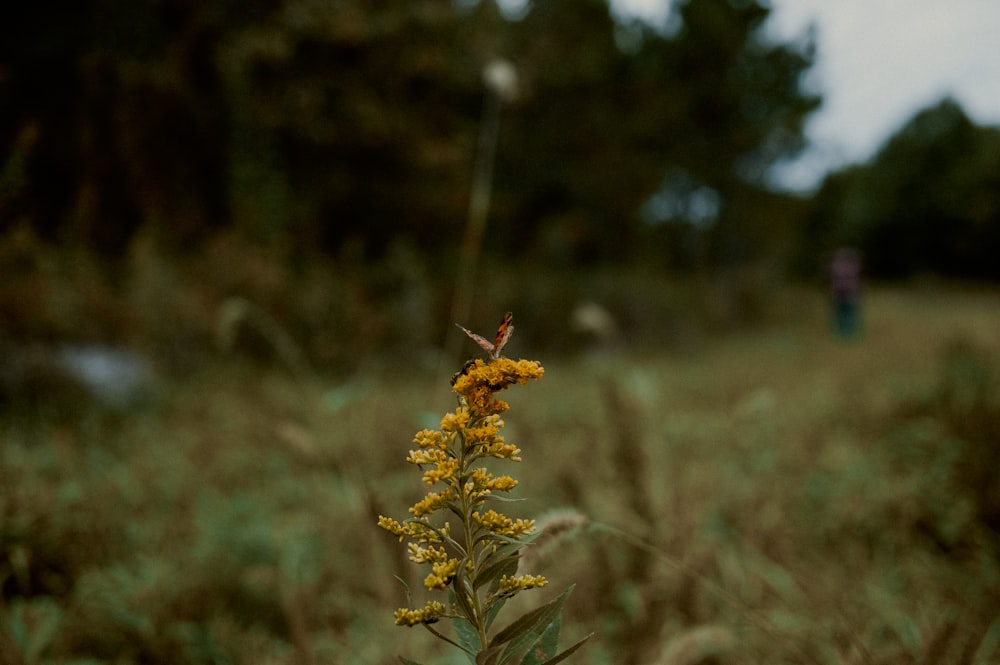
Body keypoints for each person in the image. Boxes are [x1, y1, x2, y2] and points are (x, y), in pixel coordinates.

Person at [828, 247, 862, 338]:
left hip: (846, 293)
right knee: (844, 313)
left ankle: (846, 331)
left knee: (847, 313)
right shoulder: (851, 267)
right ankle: (845, 331)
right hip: (845, 293)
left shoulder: (836, 267)